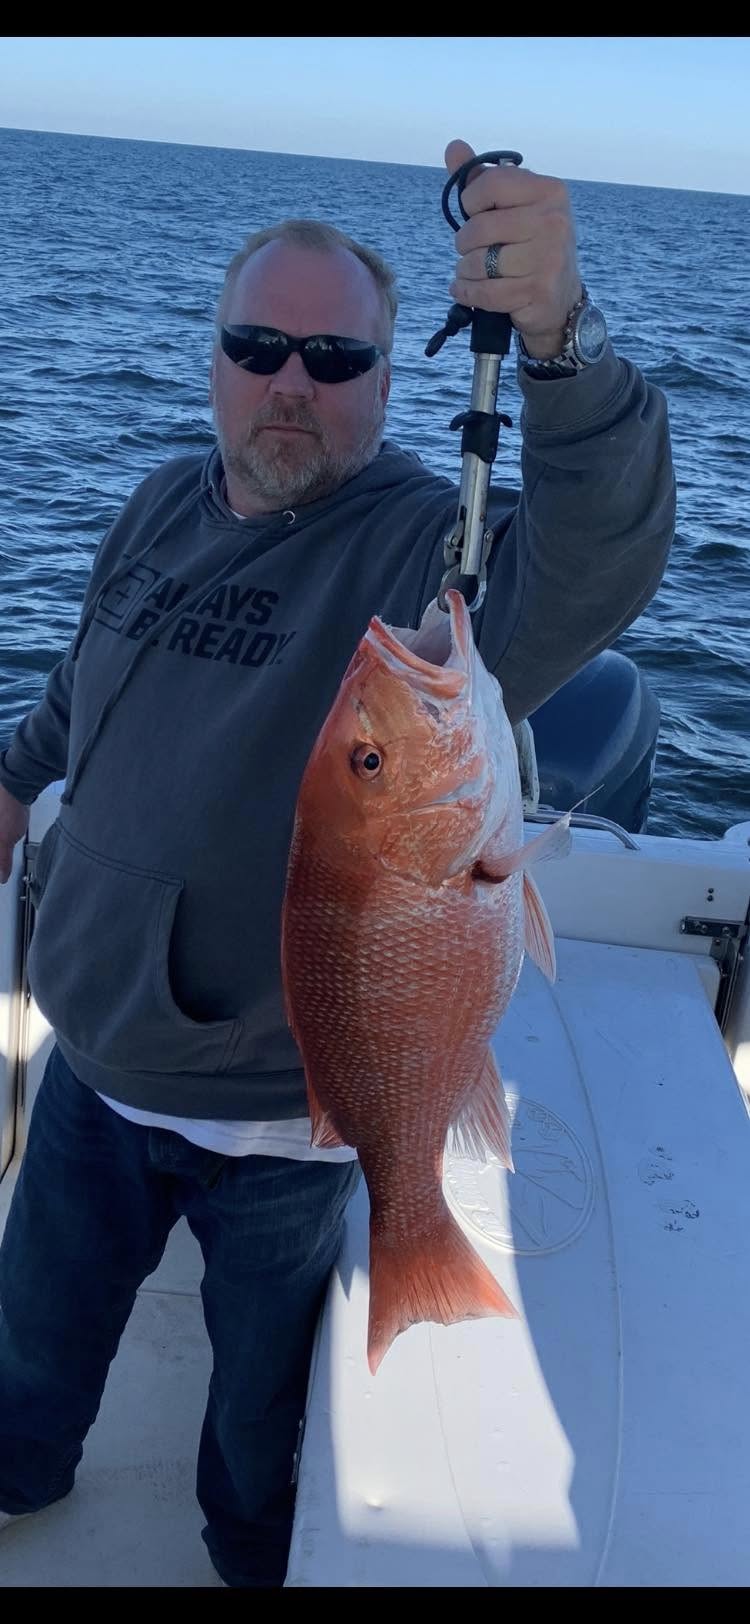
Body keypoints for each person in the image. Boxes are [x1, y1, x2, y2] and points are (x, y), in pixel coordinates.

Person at [0, 138, 676, 1586]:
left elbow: (599, 553)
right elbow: (75, 699)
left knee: (257, 1422)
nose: (289, 382)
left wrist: (559, 339)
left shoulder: (419, 555)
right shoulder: (160, 502)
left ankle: (253, 1563)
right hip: (88, 1063)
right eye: (258, 346)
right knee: (28, 1350)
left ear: (385, 375)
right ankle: (17, 1474)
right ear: (217, 358)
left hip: (281, 1128)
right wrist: (12, 781)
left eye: (332, 356)